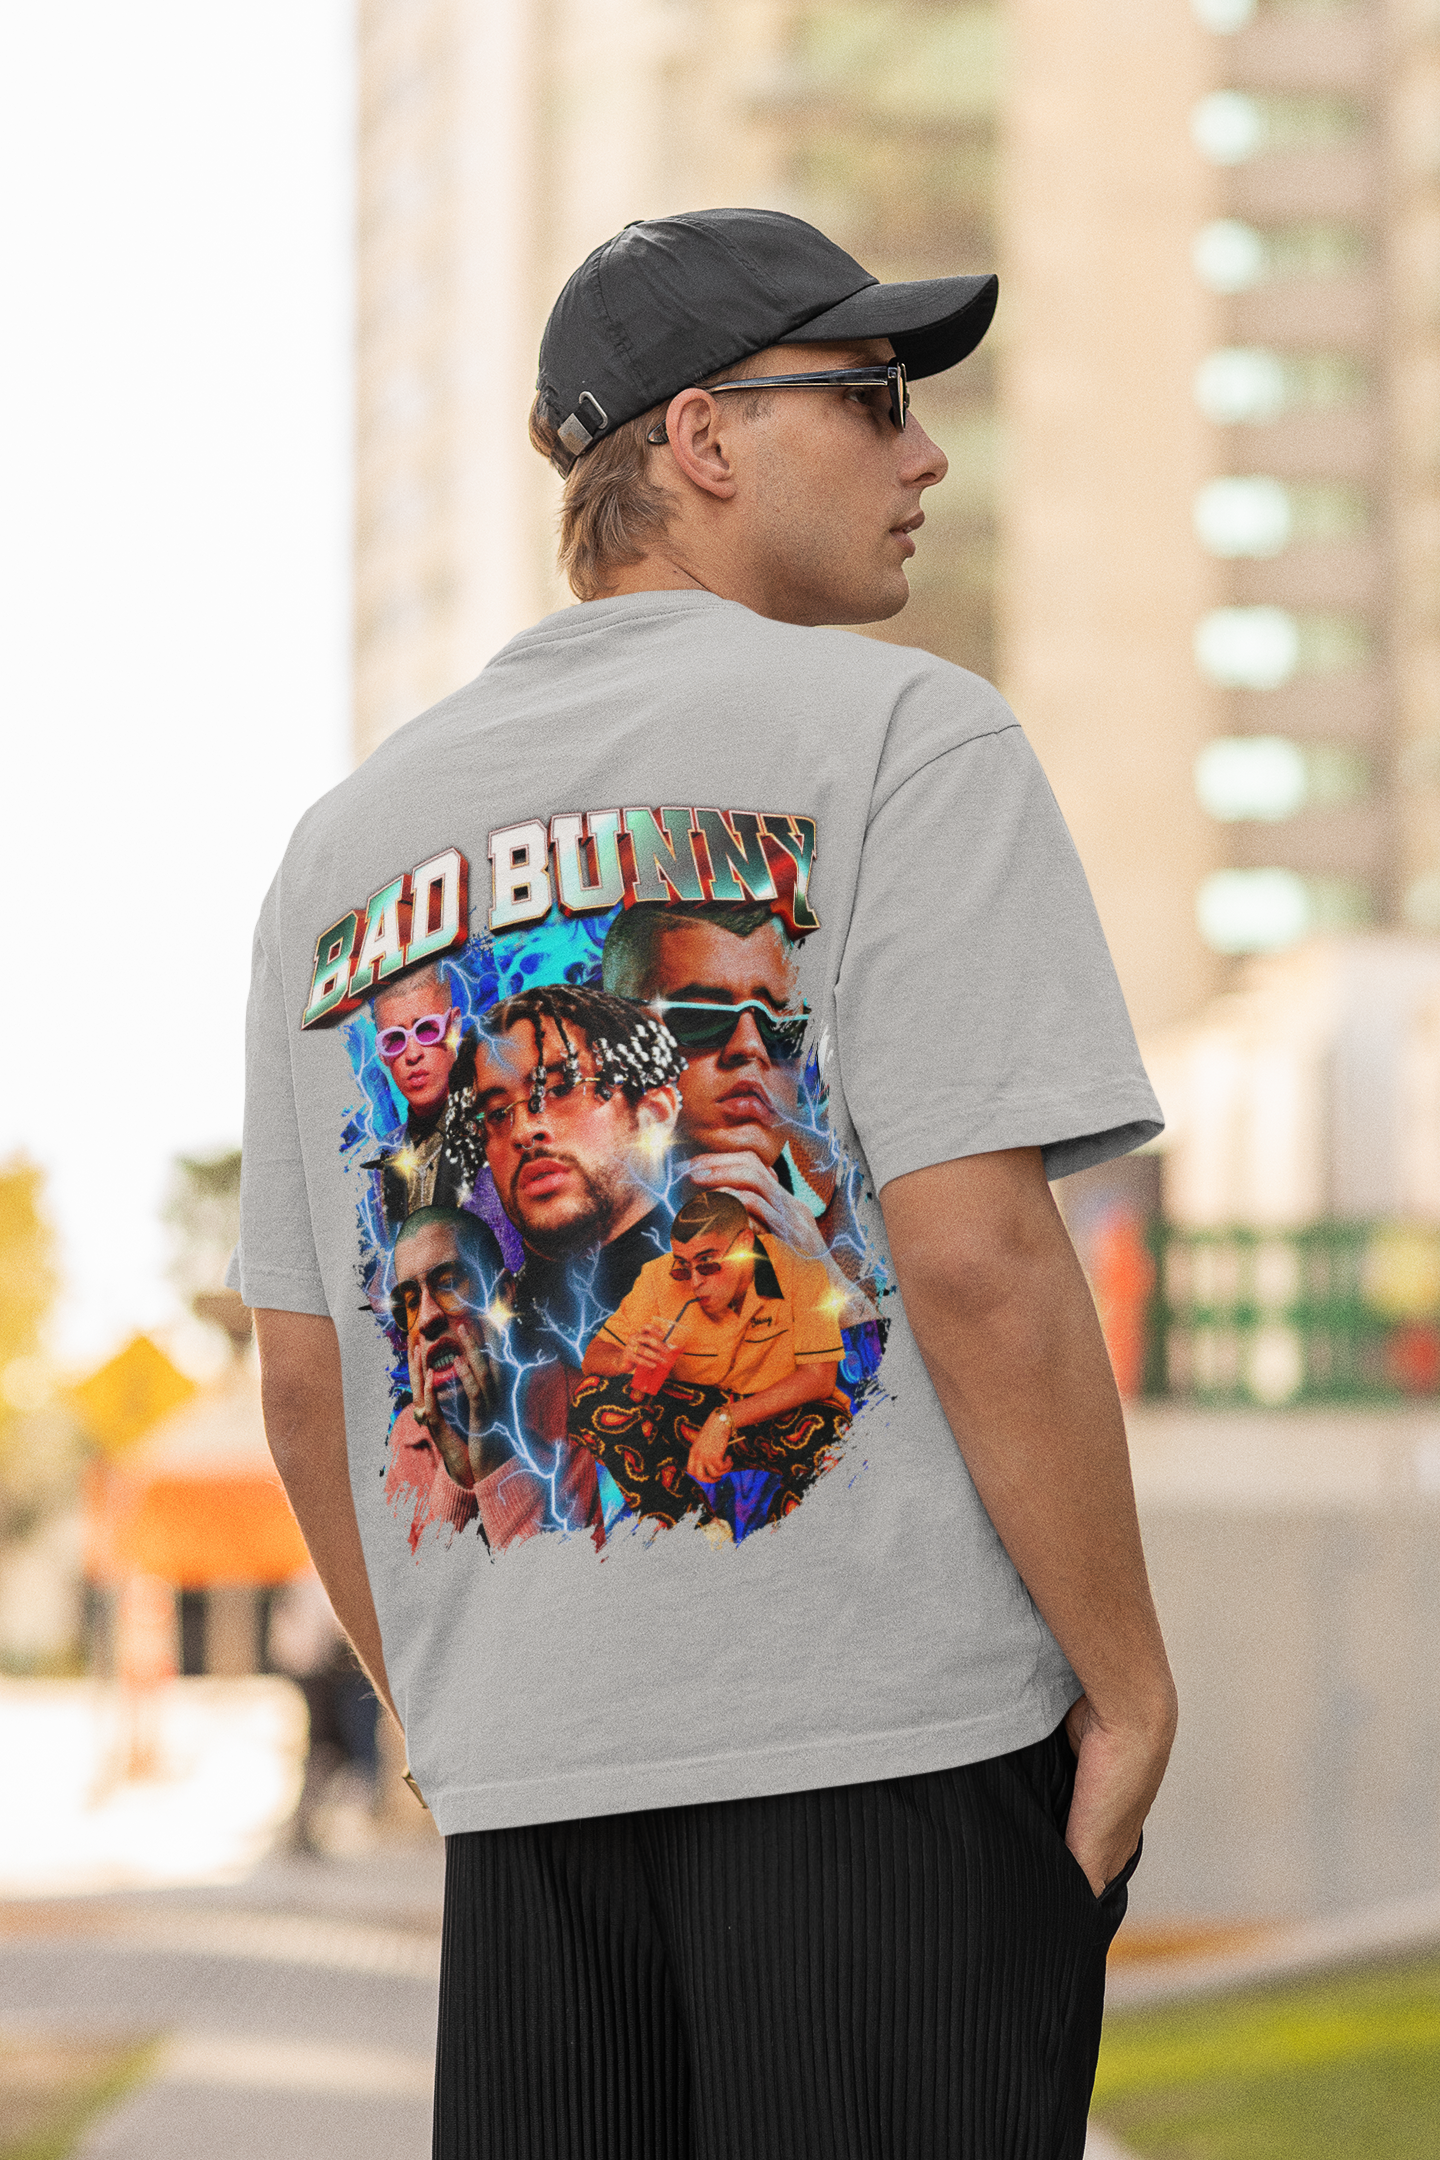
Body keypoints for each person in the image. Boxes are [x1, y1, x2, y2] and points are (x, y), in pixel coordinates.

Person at [237, 207, 1176, 2160]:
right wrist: (1130, 1682)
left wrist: (453, 1722)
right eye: (875, 397)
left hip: (534, 1802)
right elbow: (981, 1260)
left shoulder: (344, 847)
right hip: (886, 1758)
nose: (924, 454)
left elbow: (310, 1377)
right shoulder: (905, 735)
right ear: (702, 437)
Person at [602, 897, 875, 1322]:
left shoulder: (857, 1231)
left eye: (782, 1025)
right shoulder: (561, 1236)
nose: (750, 1047)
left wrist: (829, 1291)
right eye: (701, 1018)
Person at [573, 1185, 848, 1538]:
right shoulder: (657, 1279)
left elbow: (819, 1377)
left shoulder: (802, 1273)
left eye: (708, 1264)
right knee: (591, 1398)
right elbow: (594, 1357)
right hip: (691, 1416)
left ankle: (781, 1546)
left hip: (777, 1418)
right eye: (683, 1267)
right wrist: (622, 1358)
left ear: (745, 1243)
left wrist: (725, 1419)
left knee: (836, 1438)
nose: (695, 1282)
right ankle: (694, 1530)